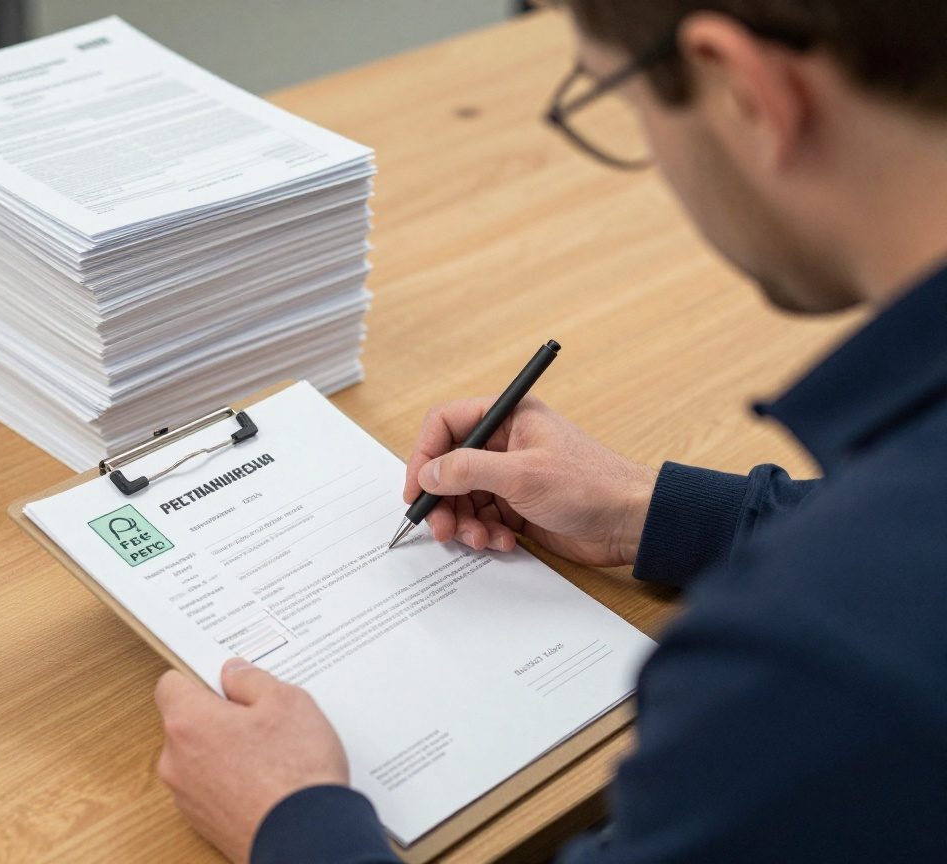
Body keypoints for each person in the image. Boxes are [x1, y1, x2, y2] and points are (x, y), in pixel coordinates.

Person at [152, 1, 947, 861]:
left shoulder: (806, 666)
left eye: (623, 100)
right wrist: (649, 509)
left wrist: (293, 822)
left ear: (741, 88)